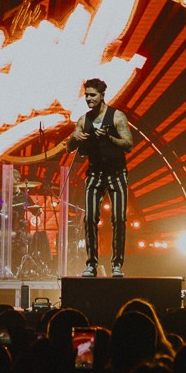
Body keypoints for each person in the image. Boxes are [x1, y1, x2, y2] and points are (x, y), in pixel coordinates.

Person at [65, 76, 136, 277]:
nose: (88, 98)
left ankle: (117, 264)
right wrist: (74, 138)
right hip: (94, 174)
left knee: (119, 218)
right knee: (89, 219)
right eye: (86, 95)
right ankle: (91, 264)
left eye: (92, 95)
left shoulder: (116, 117)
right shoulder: (83, 120)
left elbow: (128, 145)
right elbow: (70, 148)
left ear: (102, 95)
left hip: (116, 173)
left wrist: (109, 137)